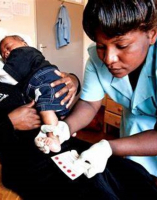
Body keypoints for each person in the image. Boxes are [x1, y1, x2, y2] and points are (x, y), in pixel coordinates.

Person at [0, 3, 157, 200]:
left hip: (60, 147)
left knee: (132, 175)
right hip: (27, 163)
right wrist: (10, 124)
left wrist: (72, 80)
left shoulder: (6, 68)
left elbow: (43, 80)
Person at [62, 0, 157, 184]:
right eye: (100, 46)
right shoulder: (96, 61)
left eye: (121, 45)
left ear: (151, 34)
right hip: (133, 133)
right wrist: (66, 127)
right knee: (139, 181)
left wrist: (108, 147)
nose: (108, 58)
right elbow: (90, 103)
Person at [0, 35, 72, 153]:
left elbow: (8, 77)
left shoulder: (21, 52)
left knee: (45, 109)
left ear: (24, 43)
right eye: (3, 53)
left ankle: (52, 136)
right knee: (54, 110)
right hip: (51, 79)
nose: (6, 53)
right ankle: (61, 131)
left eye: (8, 47)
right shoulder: (30, 57)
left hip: (44, 82)